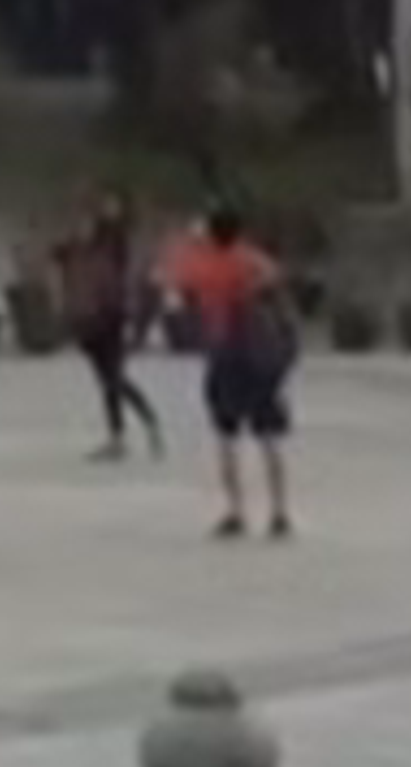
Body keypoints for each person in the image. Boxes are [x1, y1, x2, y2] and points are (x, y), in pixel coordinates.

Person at [171, 199, 299, 541]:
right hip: (260, 358)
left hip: (224, 355)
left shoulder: (205, 266)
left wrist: (196, 241)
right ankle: (279, 511)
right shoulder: (249, 261)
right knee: (269, 438)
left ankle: (236, 511)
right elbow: (274, 273)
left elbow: (178, 280)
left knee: (226, 437)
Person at [56, 193, 167, 464]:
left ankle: (146, 422)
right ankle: (120, 436)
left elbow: (120, 272)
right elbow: (63, 259)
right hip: (90, 319)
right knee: (108, 382)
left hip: (110, 318)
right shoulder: (83, 247)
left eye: (113, 205)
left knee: (114, 379)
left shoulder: (114, 244)